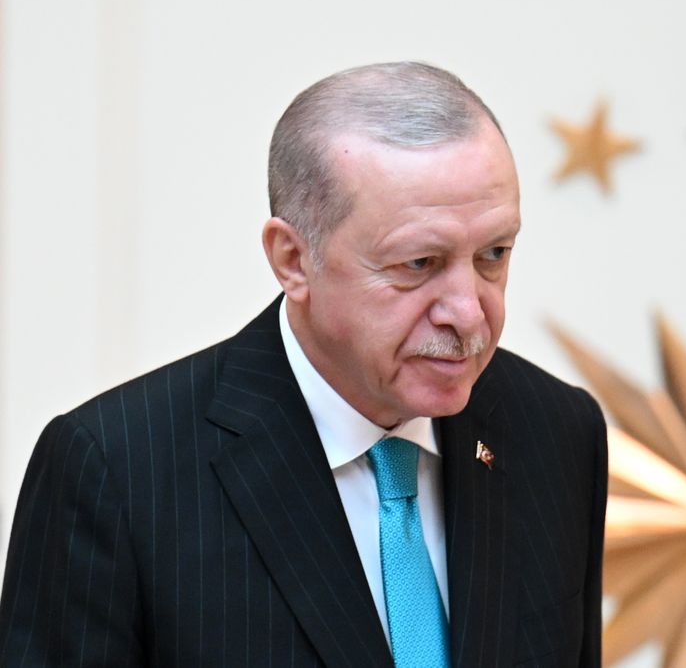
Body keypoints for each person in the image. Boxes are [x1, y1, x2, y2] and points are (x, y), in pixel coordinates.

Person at [0, 62, 607, 668]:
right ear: (292, 259)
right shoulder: (116, 472)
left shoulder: (558, 431)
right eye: (419, 263)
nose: (469, 315)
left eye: (493, 255)